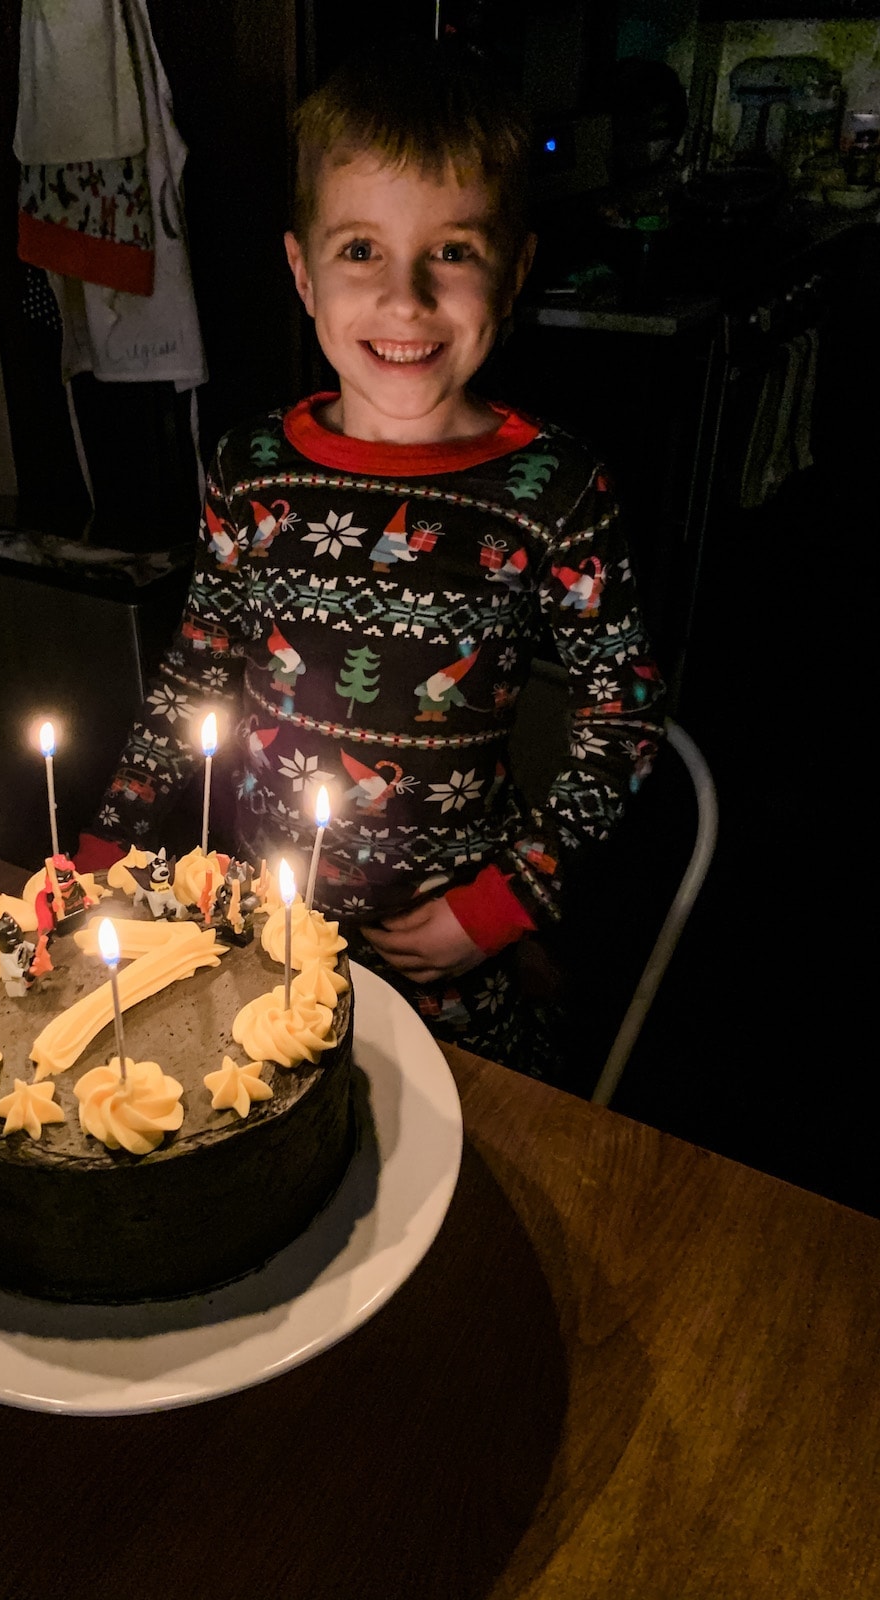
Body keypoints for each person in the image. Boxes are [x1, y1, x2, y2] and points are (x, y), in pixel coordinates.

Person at [74, 39, 665, 1080]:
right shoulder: (249, 470)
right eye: (361, 251)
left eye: (453, 251)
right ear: (301, 271)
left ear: (515, 269)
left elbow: (624, 721)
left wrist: (505, 904)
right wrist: (105, 848)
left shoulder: (557, 492)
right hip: (262, 928)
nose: (405, 299)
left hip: (447, 945)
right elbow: (194, 675)